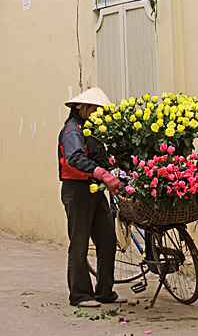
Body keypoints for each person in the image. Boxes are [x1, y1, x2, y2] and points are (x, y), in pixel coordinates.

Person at [58, 86, 125, 307]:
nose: (98, 113)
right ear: (81, 107)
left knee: (106, 240)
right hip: (77, 191)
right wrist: (102, 173)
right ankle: (80, 294)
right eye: (94, 109)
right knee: (79, 243)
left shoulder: (91, 130)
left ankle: (105, 291)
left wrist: (108, 164)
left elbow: (95, 156)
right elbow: (74, 158)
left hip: (96, 191)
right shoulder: (73, 130)